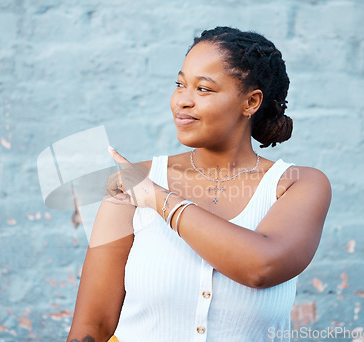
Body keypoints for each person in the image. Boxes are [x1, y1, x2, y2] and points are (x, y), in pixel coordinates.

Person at [66, 26, 331, 342]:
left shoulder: (297, 185)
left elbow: (261, 267)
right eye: (180, 85)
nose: (182, 101)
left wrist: (157, 198)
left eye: (203, 89)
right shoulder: (131, 183)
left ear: (251, 102)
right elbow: (92, 327)